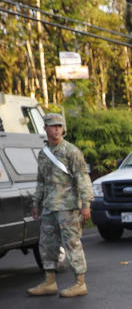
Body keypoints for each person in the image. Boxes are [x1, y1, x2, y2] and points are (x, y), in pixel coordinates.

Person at [27, 112, 93, 298]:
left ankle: (80, 283)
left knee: (72, 244)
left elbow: (82, 177)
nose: (56, 130)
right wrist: (36, 203)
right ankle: (49, 281)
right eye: (53, 126)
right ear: (45, 128)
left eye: (59, 126)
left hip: (68, 207)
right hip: (49, 206)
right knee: (47, 245)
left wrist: (86, 203)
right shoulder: (43, 153)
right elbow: (41, 181)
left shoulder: (71, 151)